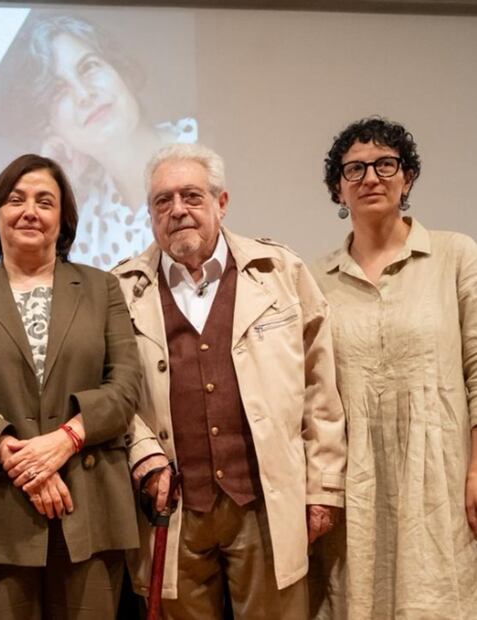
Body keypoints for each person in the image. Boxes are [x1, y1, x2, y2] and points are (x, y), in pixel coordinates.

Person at [111, 143, 347, 619]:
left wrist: (323, 488)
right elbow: (111, 390)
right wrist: (142, 453)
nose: (178, 210)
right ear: (150, 215)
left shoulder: (279, 272)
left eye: (192, 196)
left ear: (221, 203)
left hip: (264, 503)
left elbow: (319, 387)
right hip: (171, 507)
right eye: (162, 201)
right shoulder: (120, 290)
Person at [0, 153, 150, 619]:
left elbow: (125, 385)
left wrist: (65, 440)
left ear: (64, 219)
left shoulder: (103, 289)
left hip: (91, 507)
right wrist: (17, 458)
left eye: (44, 201)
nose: (29, 211)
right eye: (16, 200)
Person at [310, 117, 477, 619]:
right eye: (354, 169)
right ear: (338, 189)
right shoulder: (315, 278)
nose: (370, 178)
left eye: (386, 164)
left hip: (440, 476)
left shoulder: (454, 255)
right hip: (354, 482)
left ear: (408, 178)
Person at [25, 14, 197, 268]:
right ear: (50, 127)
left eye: (88, 67)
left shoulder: (207, 146)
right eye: (58, 91)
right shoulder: (86, 227)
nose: (84, 94)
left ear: (120, 71)